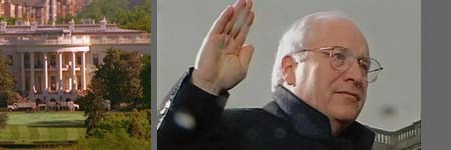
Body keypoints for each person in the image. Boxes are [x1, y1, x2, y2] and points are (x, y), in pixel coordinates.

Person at [157, 0, 383, 149]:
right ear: (289, 69)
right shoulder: (226, 135)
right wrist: (202, 87)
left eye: (363, 64)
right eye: (338, 57)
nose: (356, 75)